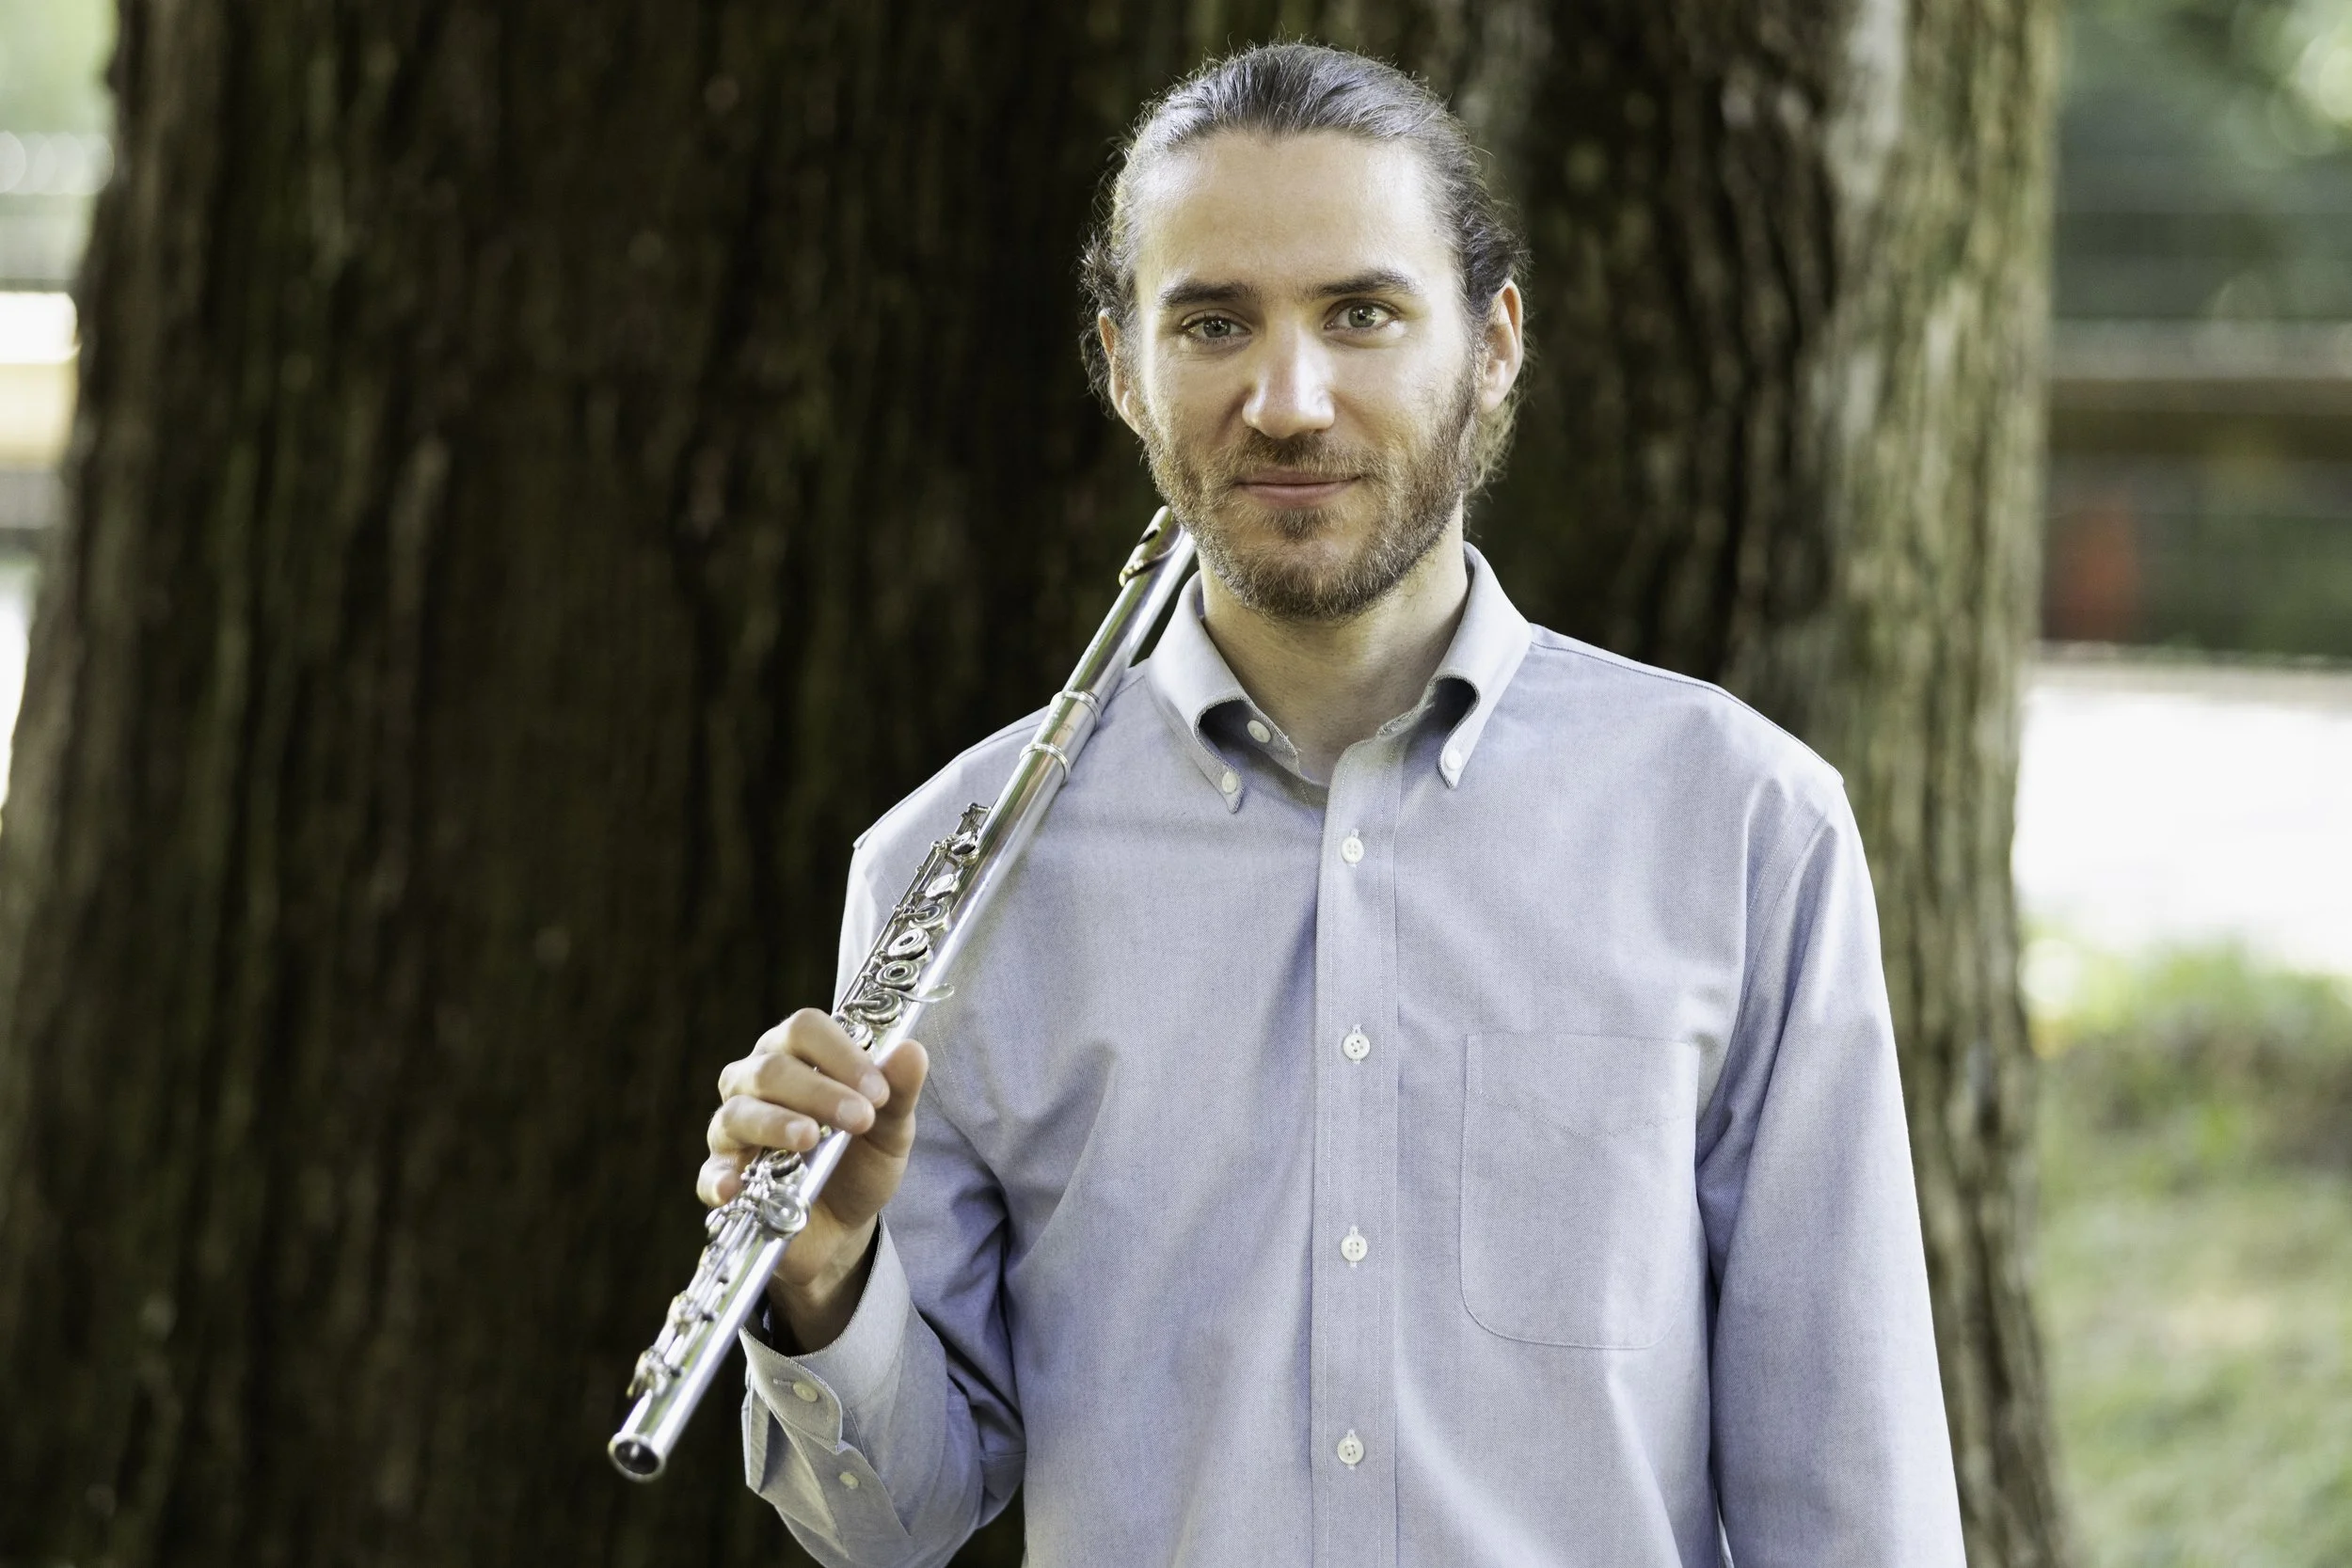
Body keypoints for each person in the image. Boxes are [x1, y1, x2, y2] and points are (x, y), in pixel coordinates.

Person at [699, 41, 1965, 1568]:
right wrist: (826, 1281)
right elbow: (892, 1523)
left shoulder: (1748, 827)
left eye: (1361, 314)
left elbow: (1853, 1496)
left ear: (1493, 344)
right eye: (1213, 322)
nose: (1287, 401)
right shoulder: (950, 866)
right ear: (1121, 365)